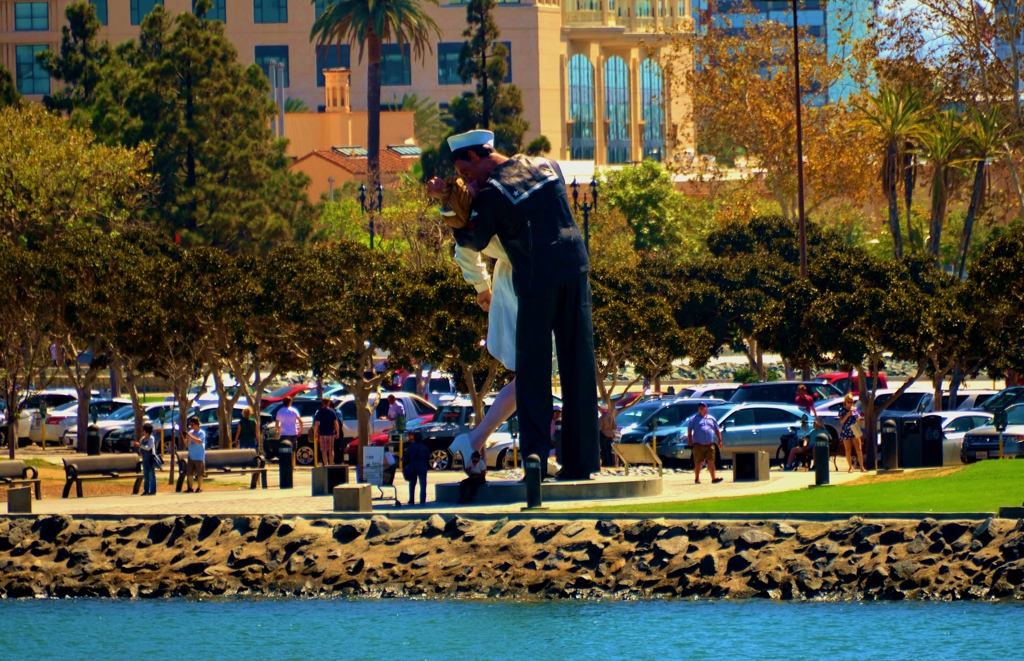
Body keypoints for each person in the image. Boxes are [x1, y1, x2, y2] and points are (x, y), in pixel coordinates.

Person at [429, 129, 599, 481]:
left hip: (536, 279)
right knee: (578, 365)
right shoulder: (547, 165)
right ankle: (583, 463)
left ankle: (535, 462)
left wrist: (452, 205)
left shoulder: (493, 194)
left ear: (477, 157)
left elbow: (472, 238)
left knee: (532, 373)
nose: (466, 180)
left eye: (465, 172)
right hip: (575, 267)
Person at [432, 174, 519, 468]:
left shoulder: (479, 217)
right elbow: (464, 249)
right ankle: (479, 440)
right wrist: (483, 288)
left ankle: (476, 440)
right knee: (533, 375)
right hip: (523, 287)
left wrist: (482, 288)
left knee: (532, 377)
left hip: (512, 284)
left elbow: (464, 251)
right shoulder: (493, 209)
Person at [687, 403, 724, 485]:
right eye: (699, 407)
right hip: (698, 444)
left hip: (710, 444)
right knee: (698, 462)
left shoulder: (711, 419)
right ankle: (697, 478)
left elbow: (716, 430)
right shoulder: (694, 419)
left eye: (703, 406)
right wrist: (690, 440)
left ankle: (714, 478)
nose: (700, 408)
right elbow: (689, 430)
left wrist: (720, 440)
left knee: (711, 461)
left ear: (706, 408)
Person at [839, 393, 866, 473]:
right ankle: (850, 467)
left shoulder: (855, 409)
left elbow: (857, 419)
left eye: (851, 402)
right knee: (848, 449)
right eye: (848, 402)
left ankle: (861, 467)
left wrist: (858, 418)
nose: (850, 404)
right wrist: (848, 415)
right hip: (846, 430)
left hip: (854, 429)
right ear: (845, 402)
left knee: (859, 448)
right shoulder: (842, 410)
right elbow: (842, 421)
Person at [402, 435, 431, 505]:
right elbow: (428, 458)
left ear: (414, 439)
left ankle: (411, 500)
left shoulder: (411, 447)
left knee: (412, 484)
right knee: (423, 484)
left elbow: (406, 456)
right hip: (422, 468)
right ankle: (422, 500)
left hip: (413, 468)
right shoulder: (425, 448)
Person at [183, 415, 206, 493]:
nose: (191, 426)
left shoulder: (201, 433)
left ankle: (199, 487)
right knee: (189, 472)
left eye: (192, 425)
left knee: (200, 473)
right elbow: (187, 444)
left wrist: (190, 436)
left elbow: (199, 441)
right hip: (191, 456)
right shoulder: (190, 432)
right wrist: (184, 438)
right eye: (190, 425)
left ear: (197, 424)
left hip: (199, 457)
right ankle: (190, 487)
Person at [313, 397, 340, 465]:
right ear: (328, 403)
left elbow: (316, 423)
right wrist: (337, 432)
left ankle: (326, 464)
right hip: (331, 433)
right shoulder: (332, 412)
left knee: (324, 450)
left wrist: (315, 432)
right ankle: (331, 464)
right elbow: (336, 423)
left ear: (322, 403)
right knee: (331, 450)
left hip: (322, 433)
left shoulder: (320, 412)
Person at [136, 422, 159, 495]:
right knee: (145, 474)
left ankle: (153, 490)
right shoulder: (142, 439)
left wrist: (140, 446)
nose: (142, 431)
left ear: (147, 431)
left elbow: (148, 447)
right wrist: (140, 451)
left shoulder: (151, 438)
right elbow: (141, 448)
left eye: (144, 430)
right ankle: (146, 490)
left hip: (150, 458)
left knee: (151, 474)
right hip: (144, 458)